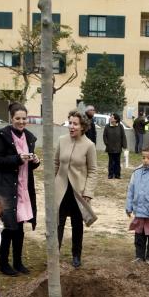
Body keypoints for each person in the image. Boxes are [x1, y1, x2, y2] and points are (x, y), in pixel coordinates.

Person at [0, 103, 40, 276]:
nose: (21, 121)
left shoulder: (29, 137)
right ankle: (3, 264)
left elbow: (27, 166)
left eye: (24, 118)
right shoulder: (1, 136)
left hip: (23, 187)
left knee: (19, 227)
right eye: (18, 118)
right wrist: (17, 159)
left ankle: (18, 262)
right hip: (6, 187)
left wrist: (34, 162)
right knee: (8, 227)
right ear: (11, 118)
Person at [55, 110, 97, 268]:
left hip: (78, 193)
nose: (71, 126)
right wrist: (52, 185)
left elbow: (93, 171)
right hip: (60, 191)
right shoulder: (61, 140)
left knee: (77, 225)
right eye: (70, 123)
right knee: (57, 224)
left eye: (75, 124)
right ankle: (54, 255)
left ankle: (76, 255)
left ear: (83, 126)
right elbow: (55, 163)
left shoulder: (89, 145)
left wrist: (88, 193)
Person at [103, 113, 127, 179]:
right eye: (111, 117)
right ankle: (110, 174)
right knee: (111, 161)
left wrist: (124, 145)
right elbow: (104, 136)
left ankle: (117, 175)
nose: (111, 118)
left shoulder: (120, 126)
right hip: (110, 147)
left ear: (116, 119)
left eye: (112, 117)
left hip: (118, 147)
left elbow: (123, 136)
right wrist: (107, 143)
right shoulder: (107, 126)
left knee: (117, 161)